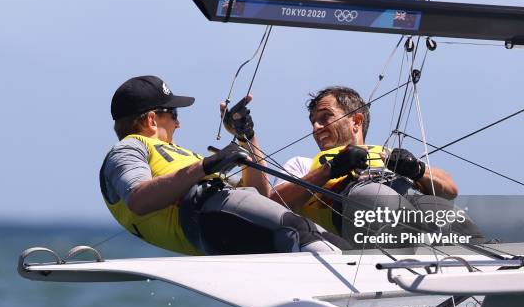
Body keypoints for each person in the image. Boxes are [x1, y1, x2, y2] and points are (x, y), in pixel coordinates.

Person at [100, 75, 351, 255]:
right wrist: (206, 166)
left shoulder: (179, 153)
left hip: (223, 218)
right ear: (152, 119)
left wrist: (246, 136)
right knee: (300, 232)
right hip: (207, 216)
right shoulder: (128, 149)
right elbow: (139, 200)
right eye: (174, 115)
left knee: (309, 237)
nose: (178, 124)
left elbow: (263, 196)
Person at [269, 85, 482, 247]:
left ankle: (488, 264)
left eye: (326, 118)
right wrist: (330, 170)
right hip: (357, 208)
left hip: (407, 203)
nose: (316, 127)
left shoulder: (387, 154)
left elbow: (450, 189)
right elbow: (274, 202)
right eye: (313, 121)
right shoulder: (303, 164)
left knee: (450, 215)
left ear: (356, 121)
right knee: (379, 200)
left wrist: (417, 169)